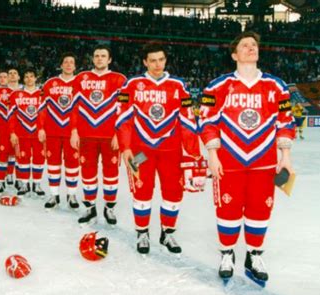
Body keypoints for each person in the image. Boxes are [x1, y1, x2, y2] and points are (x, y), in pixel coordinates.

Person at [199, 32, 295, 285]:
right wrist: (212, 154)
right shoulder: (217, 86)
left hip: (263, 161)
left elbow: (285, 122)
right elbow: (207, 121)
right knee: (227, 208)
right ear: (234, 54)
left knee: (260, 209)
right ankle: (227, 253)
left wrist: (285, 156)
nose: (251, 48)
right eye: (245, 45)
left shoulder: (276, 86)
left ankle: (254, 254)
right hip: (228, 160)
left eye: (254, 45)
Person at [116, 43, 200, 255]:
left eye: (161, 60)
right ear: (145, 62)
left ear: (166, 60)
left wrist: (193, 153)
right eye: (152, 60)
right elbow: (123, 118)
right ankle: (142, 232)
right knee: (141, 190)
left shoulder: (179, 86)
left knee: (173, 192)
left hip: (170, 151)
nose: (157, 64)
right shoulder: (132, 84)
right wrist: (125, 147)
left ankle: (167, 232)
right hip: (140, 151)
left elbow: (188, 120)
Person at [70, 45, 126, 226]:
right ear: (93, 59)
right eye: (96, 56)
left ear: (109, 59)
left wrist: (119, 134)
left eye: (103, 56)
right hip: (86, 135)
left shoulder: (119, 79)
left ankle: (109, 207)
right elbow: (74, 108)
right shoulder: (81, 79)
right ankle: (90, 207)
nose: (99, 59)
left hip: (110, 136)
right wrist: (73, 130)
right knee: (87, 172)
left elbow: (124, 110)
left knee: (111, 173)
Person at [38, 53, 80, 210]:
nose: (69, 64)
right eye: (66, 62)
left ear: (75, 66)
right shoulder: (50, 83)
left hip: (72, 132)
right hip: (53, 131)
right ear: (61, 65)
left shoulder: (80, 83)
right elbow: (42, 108)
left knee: (73, 164)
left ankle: (72, 194)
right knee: (53, 164)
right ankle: (54, 195)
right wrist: (41, 127)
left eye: (71, 62)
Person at [9, 69, 46, 197]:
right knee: (22, 158)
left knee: (39, 158)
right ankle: (24, 183)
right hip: (22, 133)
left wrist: (43, 129)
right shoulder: (15, 95)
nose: (29, 79)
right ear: (23, 79)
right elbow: (12, 115)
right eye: (26, 76)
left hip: (39, 133)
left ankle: (37, 183)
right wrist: (12, 132)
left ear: (36, 78)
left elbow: (46, 114)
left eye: (31, 76)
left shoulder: (43, 94)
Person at [0, 68, 21, 194]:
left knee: (17, 155)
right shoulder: (0, 91)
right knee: (2, 154)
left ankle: (14, 178)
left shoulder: (23, 91)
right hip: (3, 127)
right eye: (10, 74)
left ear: (19, 77)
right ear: (7, 77)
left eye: (15, 73)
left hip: (20, 128)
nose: (12, 75)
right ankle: (0, 181)